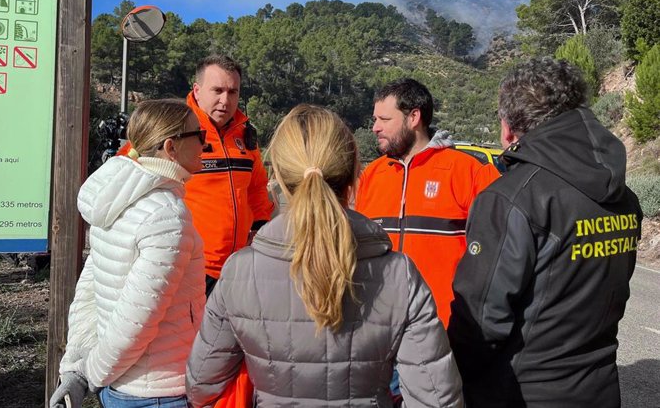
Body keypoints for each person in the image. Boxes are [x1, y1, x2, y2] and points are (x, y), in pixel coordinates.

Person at [185, 104, 465, 408]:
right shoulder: (399, 273)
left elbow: (200, 384)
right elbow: (437, 399)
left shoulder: (240, 272)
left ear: (278, 174)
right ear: (351, 173)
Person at [448, 58, 643, 408]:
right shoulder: (624, 195)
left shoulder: (511, 197)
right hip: (600, 387)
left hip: (521, 393)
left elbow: (479, 324)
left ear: (509, 127)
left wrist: (451, 383)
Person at [50, 99, 206, 408]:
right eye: (198, 135)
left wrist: (78, 368)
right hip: (159, 392)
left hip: (124, 385)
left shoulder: (116, 198)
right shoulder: (167, 215)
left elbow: (89, 293)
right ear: (171, 147)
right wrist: (89, 373)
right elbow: (136, 323)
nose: (206, 142)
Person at [119, 54, 273, 296]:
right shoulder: (172, 127)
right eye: (218, 90)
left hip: (237, 268)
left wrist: (261, 225)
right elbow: (124, 173)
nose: (225, 100)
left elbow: (256, 186)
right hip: (187, 268)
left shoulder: (244, 133)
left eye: (233, 92)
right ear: (197, 91)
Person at [355, 78, 500, 326]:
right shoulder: (372, 175)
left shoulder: (469, 172)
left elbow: (500, 251)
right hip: (379, 330)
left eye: (385, 120)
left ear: (414, 118)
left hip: (446, 329)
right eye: (375, 119)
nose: (375, 128)